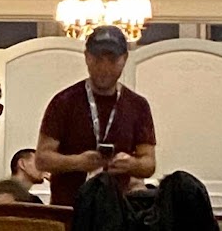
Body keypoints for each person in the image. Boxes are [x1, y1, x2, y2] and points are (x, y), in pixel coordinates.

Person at [35, 24, 157, 208]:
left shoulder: (138, 105)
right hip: (69, 210)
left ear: (124, 59)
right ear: (87, 57)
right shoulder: (64, 101)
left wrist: (130, 164)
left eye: (112, 60)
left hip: (117, 211)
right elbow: (42, 159)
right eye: (98, 59)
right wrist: (78, 162)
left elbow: (149, 163)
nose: (104, 67)